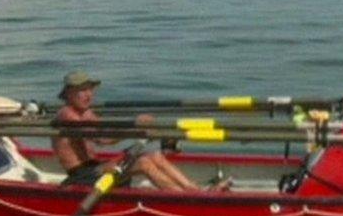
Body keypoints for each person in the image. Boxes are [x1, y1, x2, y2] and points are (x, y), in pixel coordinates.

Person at [52, 71, 232, 192]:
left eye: (89, 90)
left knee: (154, 155)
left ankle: (195, 191)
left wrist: (140, 128)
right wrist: (134, 125)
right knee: (144, 163)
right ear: (68, 94)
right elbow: (101, 139)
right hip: (81, 175)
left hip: (95, 167)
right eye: (81, 91)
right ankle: (184, 198)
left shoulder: (87, 112)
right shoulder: (67, 115)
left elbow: (107, 135)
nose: (88, 95)